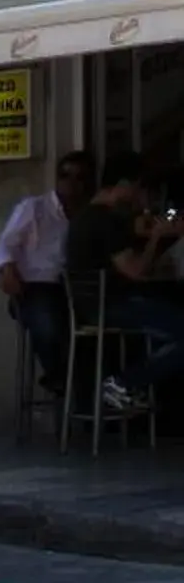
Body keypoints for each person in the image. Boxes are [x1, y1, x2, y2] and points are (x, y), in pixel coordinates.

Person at [65, 153, 184, 410]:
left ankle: (131, 385)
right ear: (124, 184)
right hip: (111, 306)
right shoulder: (103, 220)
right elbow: (137, 271)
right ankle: (124, 382)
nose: (141, 196)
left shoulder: (87, 217)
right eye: (140, 187)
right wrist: (158, 238)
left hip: (97, 305)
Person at [0, 148, 94, 385]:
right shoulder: (35, 208)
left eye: (80, 177)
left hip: (73, 288)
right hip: (35, 287)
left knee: (90, 334)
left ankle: (81, 388)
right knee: (47, 324)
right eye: (65, 175)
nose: (71, 183)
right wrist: (7, 268)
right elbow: (2, 244)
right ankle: (62, 380)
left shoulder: (88, 215)